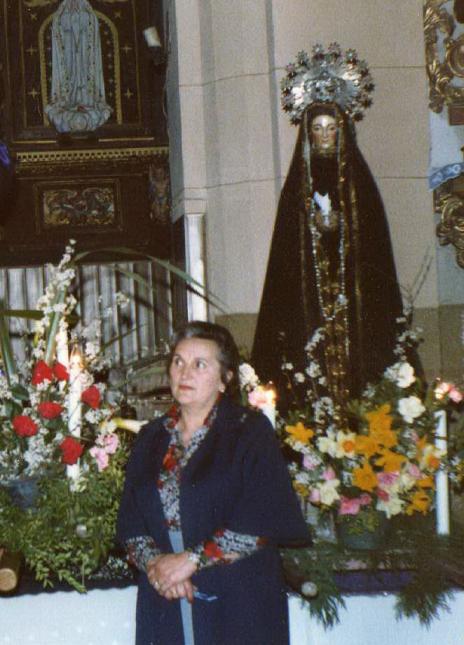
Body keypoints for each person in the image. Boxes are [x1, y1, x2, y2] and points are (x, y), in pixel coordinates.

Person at [117, 321, 309, 645]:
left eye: (200, 364)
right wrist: (158, 566)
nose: (185, 373)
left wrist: (190, 561)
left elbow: (262, 518)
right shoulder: (151, 437)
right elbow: (131, 521)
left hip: (238, 598)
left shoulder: (249, 432)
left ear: (225, 378)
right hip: (165, 595)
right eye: (178, 362)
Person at [251, 46, 406, 412]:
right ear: (307, 134)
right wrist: (316, 229)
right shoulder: (296, 188)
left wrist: (341, 229)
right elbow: (286, 258)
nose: (324, 137)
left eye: (331, 129)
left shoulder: (359, 184)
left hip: (353, 297)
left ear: (342, 131)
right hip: (309, 302)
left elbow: (374, 250)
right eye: (317, 129)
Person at [45, 0, 112, 133]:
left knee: (84, 74)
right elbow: (58, 31)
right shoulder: (61, 14)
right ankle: (69, 100)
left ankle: (85, 99)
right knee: (69, 75)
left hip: (83, 52)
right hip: (68, 52)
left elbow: (92, 31)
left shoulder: (88, 13)